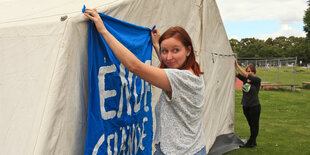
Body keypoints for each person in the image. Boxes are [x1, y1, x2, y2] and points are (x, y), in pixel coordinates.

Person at [84, 8, 206, 154]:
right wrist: (156, 46)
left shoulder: (180, 78)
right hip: (191, 147)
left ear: (188, 50)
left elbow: (135, 66)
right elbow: (170, 69)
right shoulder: (194, 73)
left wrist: (103, 31)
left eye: (175, 50)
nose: (168, 57)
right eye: (165, 51)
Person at [235, 60, 261, 148]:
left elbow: (245, 75)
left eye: (250, 71)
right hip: (246, 106)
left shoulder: (257, 80)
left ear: (254, 72)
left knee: (254, 125)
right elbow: (237, 74)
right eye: (247, 71)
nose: (248, 73)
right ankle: (253, 141)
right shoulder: (245, 79)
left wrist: (238, 65)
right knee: (251, 125)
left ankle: (251, 142)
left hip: (254, 107)